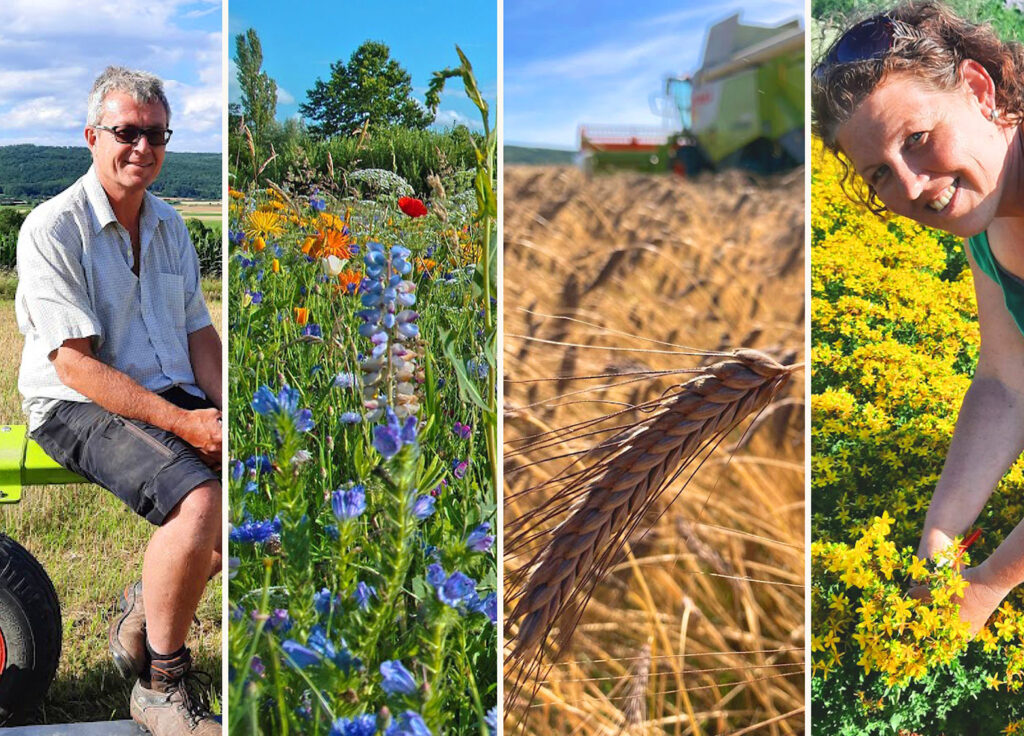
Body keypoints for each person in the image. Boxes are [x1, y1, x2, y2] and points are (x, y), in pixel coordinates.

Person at [15, 66, 221, 734]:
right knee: (199, 501)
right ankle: (161, 687)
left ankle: (141, 614)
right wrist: (185, 423)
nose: (143, 147)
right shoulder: (53, 228)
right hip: (76, 402)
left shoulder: (169, 226)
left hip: (160, 387)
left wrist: (227, 411)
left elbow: (198, 333)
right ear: (91, 136)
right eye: (126, 131)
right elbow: (75, 366)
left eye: (156, 134)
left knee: (261, 484)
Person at [812, 1, 1024, 635]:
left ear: (981, 91)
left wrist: (987, 582)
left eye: (918, 140)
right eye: (880, 173)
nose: (909, 187)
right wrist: (940, 537)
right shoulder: (986, 219)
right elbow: (1006, 383)